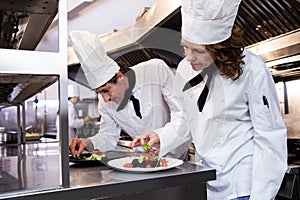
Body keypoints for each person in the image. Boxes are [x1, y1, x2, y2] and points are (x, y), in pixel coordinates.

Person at [130, 0, 288, 199]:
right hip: (207, 180)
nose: (189, 57)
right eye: (185, 47)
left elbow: (269, 135)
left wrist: (261, 196)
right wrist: (161, 136)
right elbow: (186, 120)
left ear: (220, 48)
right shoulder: (185, 69)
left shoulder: (252, 69)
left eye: (198, 51)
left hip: (241, 184)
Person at [68, 30, 190, 159]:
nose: (105, 98)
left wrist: (161, 136)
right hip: (143, 159)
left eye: (106, 90)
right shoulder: (104, 101)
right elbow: (108, 136)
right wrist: (87, 142)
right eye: (99, 93)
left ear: (119, 76)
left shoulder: (155, 70)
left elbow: (183, 113)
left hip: (176, 156)